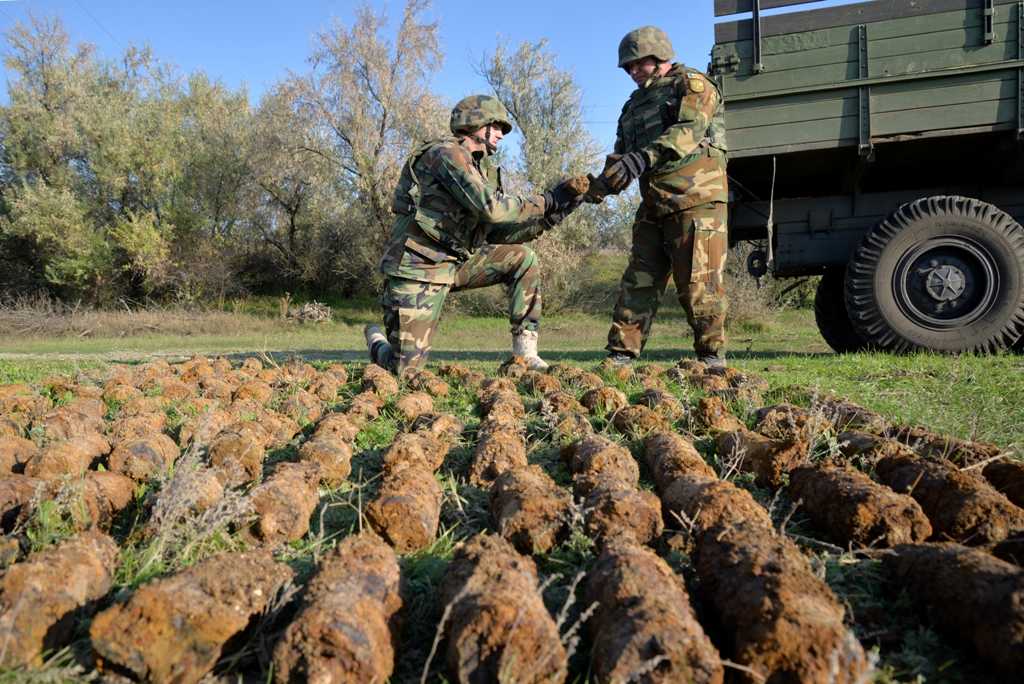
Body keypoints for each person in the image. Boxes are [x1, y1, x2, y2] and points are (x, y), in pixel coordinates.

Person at [364, 94, 585, 374]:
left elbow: (496, 231)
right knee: (405, 372)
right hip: (417, 268)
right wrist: (546, 201)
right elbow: (491, 208)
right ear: (476, 123)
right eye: (499, 126)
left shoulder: (480, 169)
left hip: (455, 262)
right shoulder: (445, 154)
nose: (503, 135)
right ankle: (376, 342)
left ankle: (526, 354)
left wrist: (556, 213)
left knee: (523, 258)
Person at [587, 26, 730, 368]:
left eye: (639, 63)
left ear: (660, 55)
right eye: (628, 67)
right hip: (654, 205)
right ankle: (622, 355)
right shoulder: (633, 105)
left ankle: (712, 359)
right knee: (639, 281)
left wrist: (643, 158)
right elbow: (623, 159)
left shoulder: (692, 84)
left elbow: (688, 131)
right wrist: (592, 190)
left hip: (696, 199)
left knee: (699, 286)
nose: (633, 71)